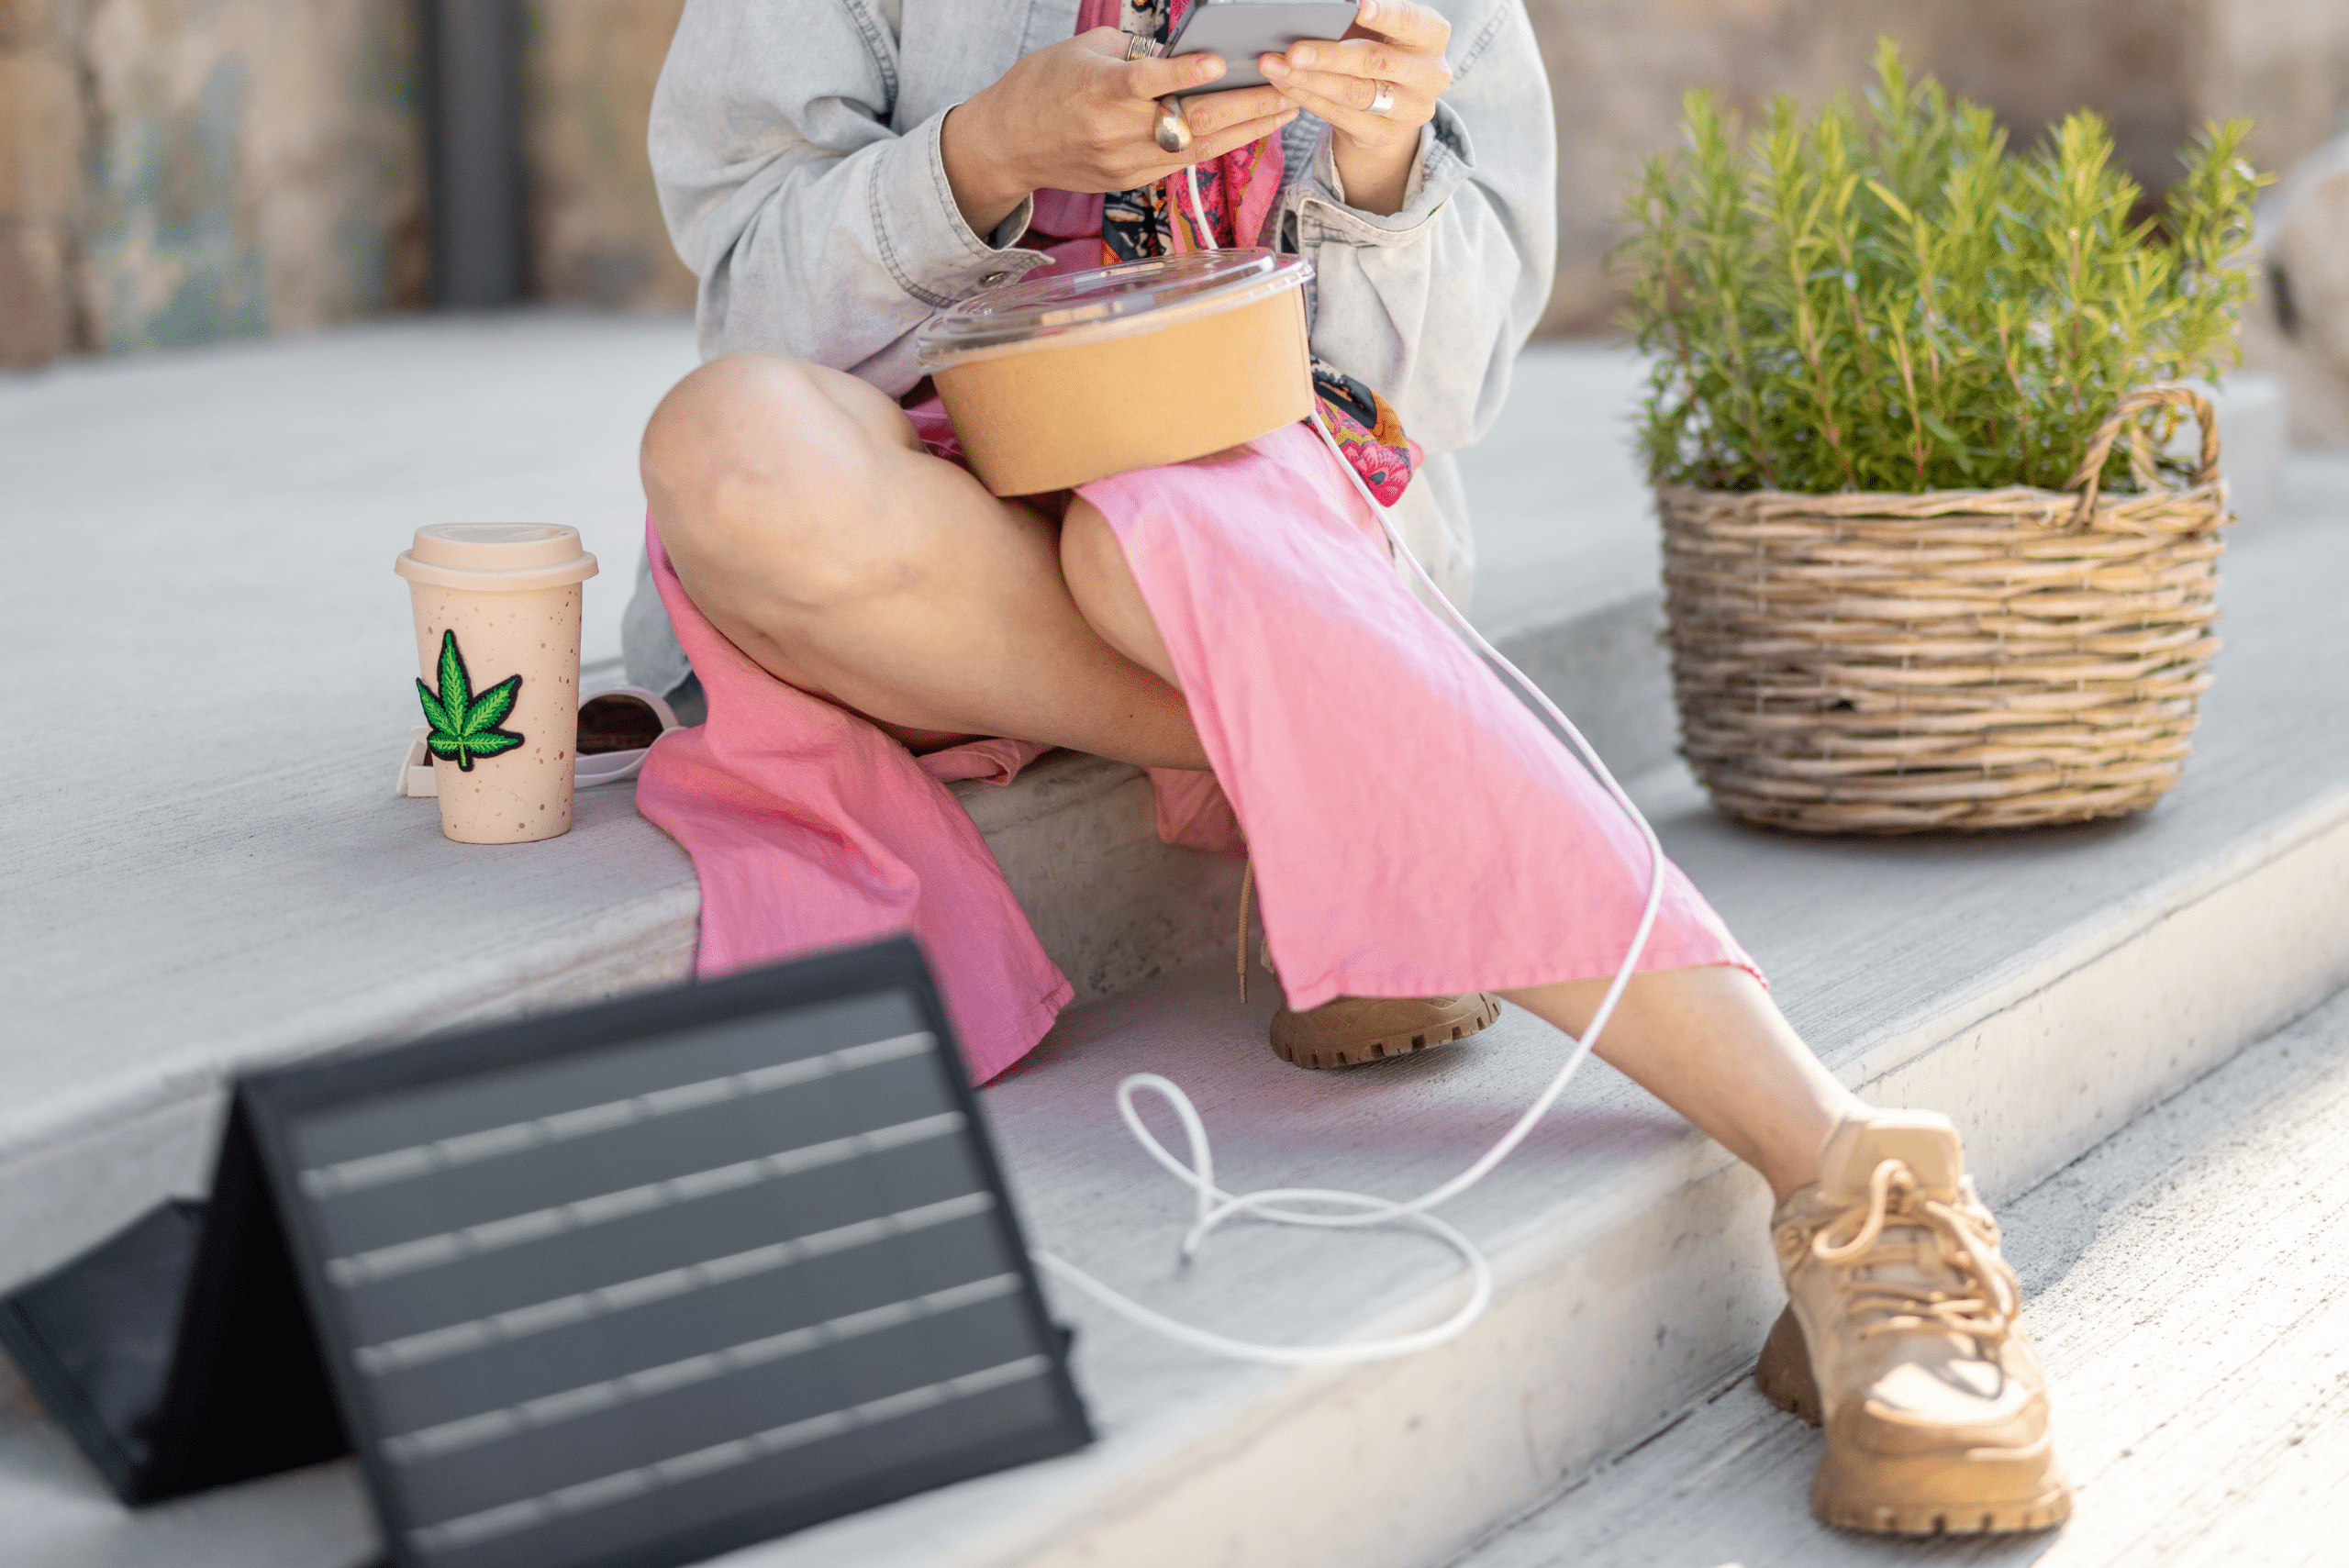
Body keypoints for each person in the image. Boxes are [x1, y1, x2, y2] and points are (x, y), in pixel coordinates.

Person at [623, 0, 2068, 1536]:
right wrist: (986, 155)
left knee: (1157, 532)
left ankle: (1849, 1173)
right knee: (733, 450)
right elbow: (756, 308)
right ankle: (1333, 759)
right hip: (929, 548)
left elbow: (1432, 396)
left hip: (1237, 528)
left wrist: (1381, 171)